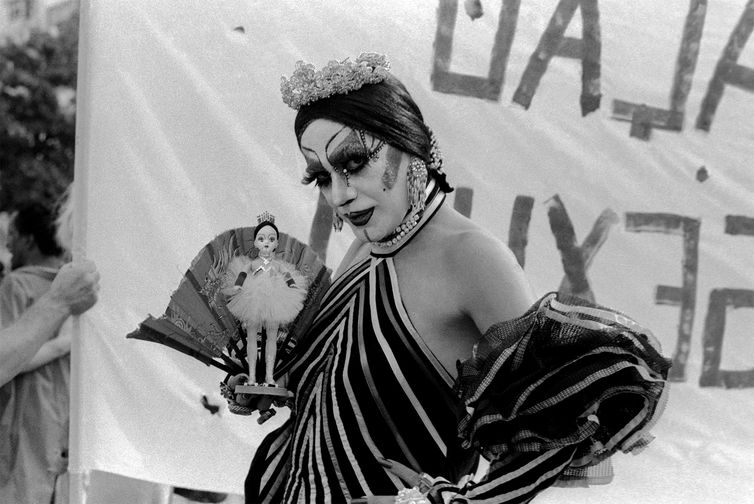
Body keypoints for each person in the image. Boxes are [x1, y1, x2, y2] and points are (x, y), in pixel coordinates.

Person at [240, 54, 669, 504]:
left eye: (354, 163)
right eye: (322, 177)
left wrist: (446, 503)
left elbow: (554, 430)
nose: (340, 194)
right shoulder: (370, 242)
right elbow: (348, 386)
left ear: (410, 145)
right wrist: (270, 384)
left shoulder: (473, 258)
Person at [0, 202, 99, 503]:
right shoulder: (87, 290)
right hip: (63, 432)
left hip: (24, 436)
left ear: (29, 240)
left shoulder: (16, 285)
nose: (8, 243)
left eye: (12, 234)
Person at [223, 212, 308, 386]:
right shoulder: (252, 264)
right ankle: (253, 377)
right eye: (261, 239)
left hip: (274, 299)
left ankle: (270, 376)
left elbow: (286, 276)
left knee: (272, 337)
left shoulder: (277, 265)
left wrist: (292, 287)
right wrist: (238, 287)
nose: (266, 243)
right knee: (252, 337)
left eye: (271, 239)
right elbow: (242, 274)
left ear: (277, 242)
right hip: (253, 298)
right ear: (255, 243)